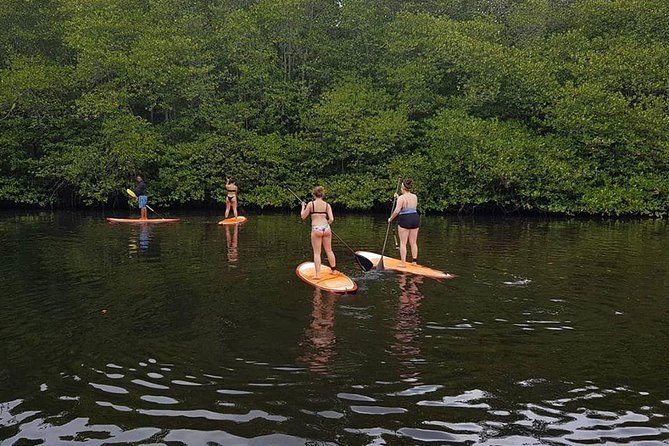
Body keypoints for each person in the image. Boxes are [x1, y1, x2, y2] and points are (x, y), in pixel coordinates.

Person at [300, 186, 336, 279]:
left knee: (317, 253)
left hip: (316, 229)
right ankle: (334, 271)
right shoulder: (327, 205)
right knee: (329, 250)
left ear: (313, 194)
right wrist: (327, 223)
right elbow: (331, 219)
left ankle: (318, 275)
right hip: (326, 228)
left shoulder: (310, 204)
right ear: (322, 194)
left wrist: (303, 206)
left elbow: (303, 216)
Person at [387, 178, 419, 267]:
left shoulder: (401, 198)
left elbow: (397, 211)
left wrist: (391, 218)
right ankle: (414, 262)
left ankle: (403, 263)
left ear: (402, 188)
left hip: (405, 219)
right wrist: (398, 198)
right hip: (415, 218)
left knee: (403, 242)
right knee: (413, 242)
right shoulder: (415, 196)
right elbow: (409, 204)